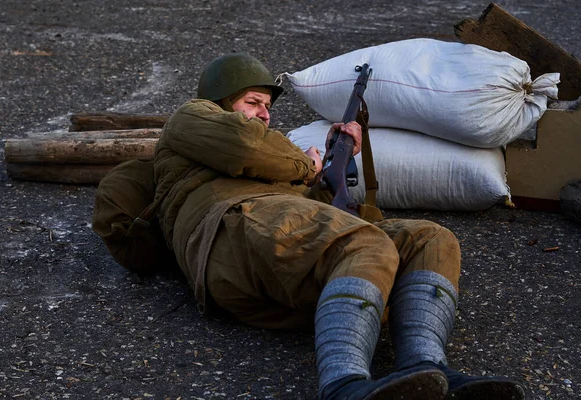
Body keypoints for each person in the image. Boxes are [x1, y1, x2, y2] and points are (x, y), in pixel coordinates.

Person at [152, 52, 525, 400]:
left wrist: (329, 171)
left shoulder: (277, 160)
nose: (264, 114)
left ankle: (426, 364)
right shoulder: (191, 117)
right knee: (362, 243)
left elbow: (312, 221)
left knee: (429, 239)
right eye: (253, 102)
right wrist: (307, 167)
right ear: (220, 99)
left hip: (272, 250)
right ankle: (343, 385)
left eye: (267, 107)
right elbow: (243, 147)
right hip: (229, 229)